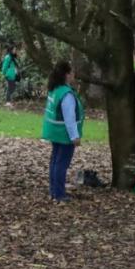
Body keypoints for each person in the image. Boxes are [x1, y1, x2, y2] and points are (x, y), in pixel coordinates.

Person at [41, 61, 85, 203]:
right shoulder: (67, 94)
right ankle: (59, 194)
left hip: (54, 131)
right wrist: (75, 136)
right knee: (61, 164)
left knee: (55, 161)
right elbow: (69, 118)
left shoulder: (55, 89)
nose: (74, 75)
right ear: (66, 75)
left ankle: (54, 191)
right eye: (72, 72)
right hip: (64, 134)